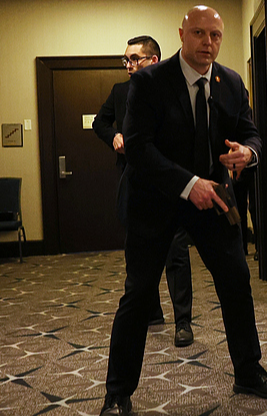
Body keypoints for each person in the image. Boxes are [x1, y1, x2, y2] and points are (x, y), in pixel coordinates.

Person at [99, 6, 267, 416]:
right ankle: (117, 393)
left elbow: (251, 133)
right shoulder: (150, 81)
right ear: (182, 34)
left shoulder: (231, 81)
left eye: (216, 35)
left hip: (213, 200)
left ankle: (248, 371)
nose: (208, 43)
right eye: (200, 33)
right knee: (139, 294)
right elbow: (138, 148)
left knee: (236, 281)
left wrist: (248, 153)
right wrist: (189, 185)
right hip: (154, 199)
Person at [92, 35, 195, 348]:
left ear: (154, 61)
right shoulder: (120, 91)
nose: (128, 65)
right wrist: (113, 136)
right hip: (135, 182)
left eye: (134, 59)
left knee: (176, 253)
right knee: (137, 254)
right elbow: (99, 122)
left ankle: (183, 322)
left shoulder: (174, 90)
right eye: (126, 60)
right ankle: (151, 312)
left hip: (170, 183)